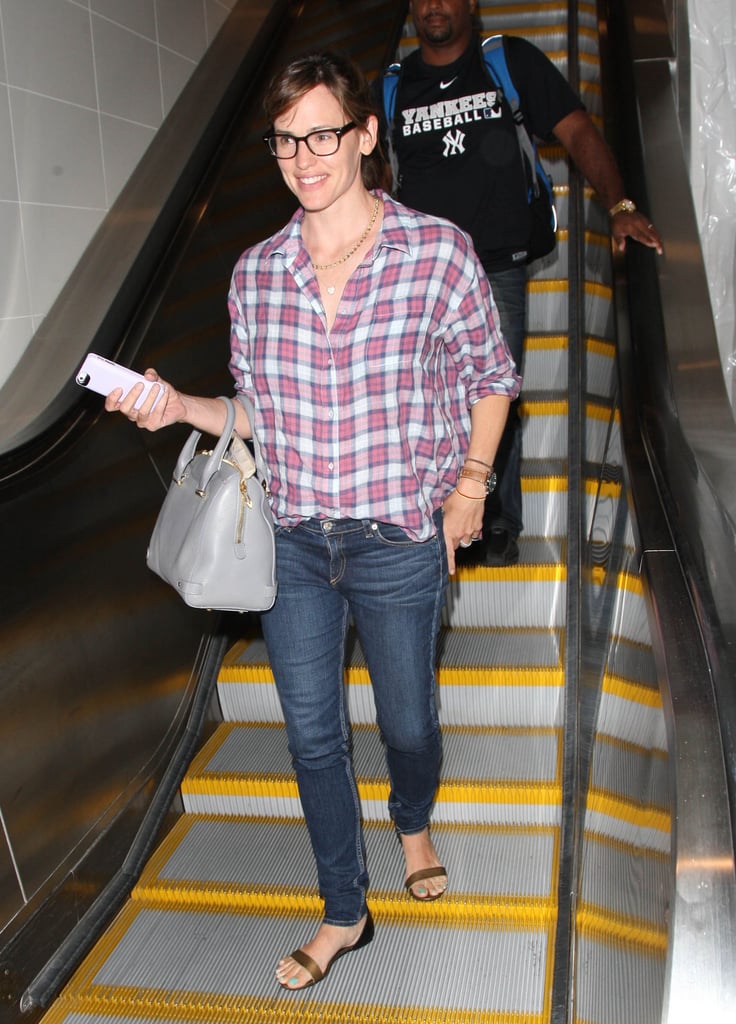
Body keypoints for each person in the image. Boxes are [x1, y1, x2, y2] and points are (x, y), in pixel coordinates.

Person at [105, 51, 520, 990]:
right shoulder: (256, 276)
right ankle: (344, 909)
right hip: (292, 541)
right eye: (288, 140)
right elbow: (258, 415)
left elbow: (493, 378)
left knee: (409, 723)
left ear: (367, 136)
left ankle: (412, 821)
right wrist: (182, 408)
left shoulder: (437, 253)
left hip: (399, 541)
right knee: (311, 736)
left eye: (323, 133)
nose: (305, 156)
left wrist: (469, 490)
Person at [375, 0, 663, 567]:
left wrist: (621, 205)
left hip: (496, 265)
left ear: (470, 4)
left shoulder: (507, 61)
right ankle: (426, 509)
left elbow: (578, 131)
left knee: (494, 390)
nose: (434, 5)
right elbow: (375, 180)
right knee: (422, 394)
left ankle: (496, 518)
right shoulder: (391, 87)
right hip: (418, 274)